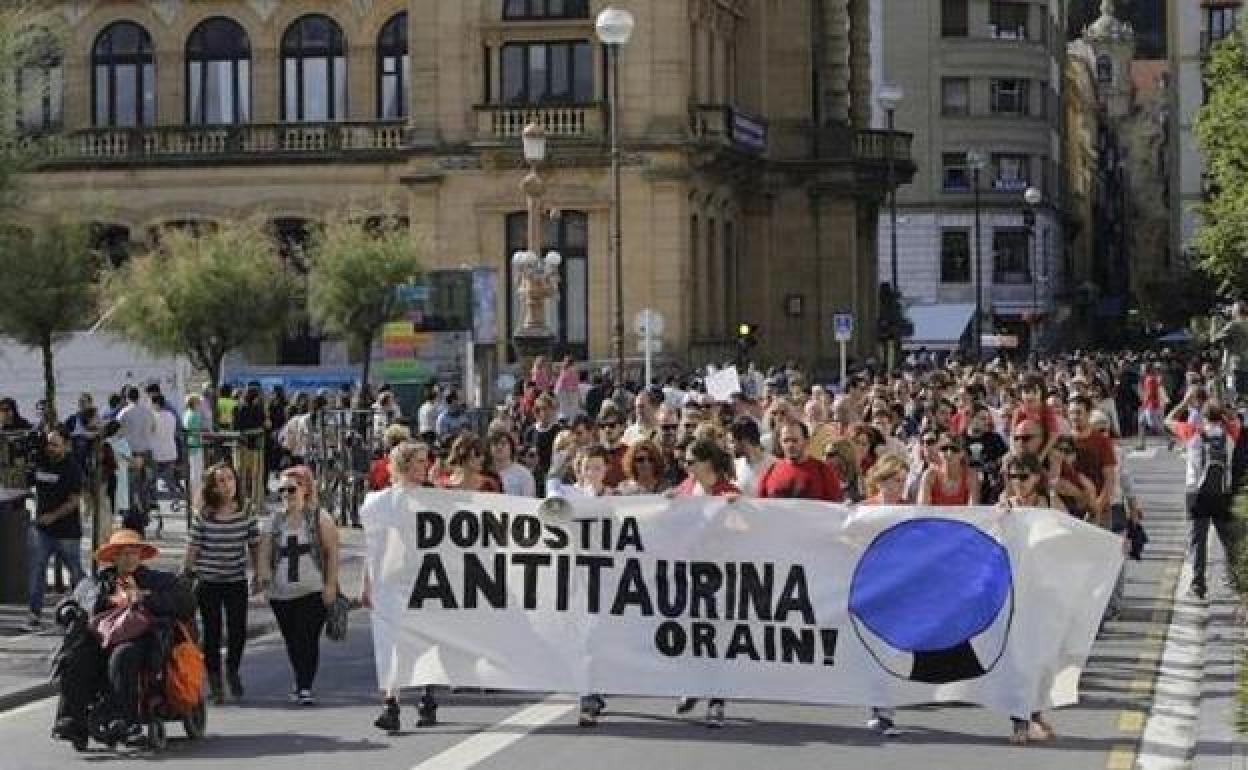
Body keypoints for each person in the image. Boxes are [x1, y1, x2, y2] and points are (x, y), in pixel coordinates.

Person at [51, 529, 181, 750]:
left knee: (122, 656)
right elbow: (71, 601)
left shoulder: (158, 580)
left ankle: (126, 720)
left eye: (133, 552)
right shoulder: (95, 582)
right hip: (100, 640)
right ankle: (72, 721)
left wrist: (146, 599)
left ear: (141, 556)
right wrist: (67, 611)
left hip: (142, 640)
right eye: (123, 553)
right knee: (74, 658)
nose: (129, 558)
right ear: (113, 557)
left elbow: (182, 602)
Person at [362, 441, 441, 732]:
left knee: (425, 640)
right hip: (391, 580)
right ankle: (391, 705)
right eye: (420, 461)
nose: (426, 466)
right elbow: (373, 546)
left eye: (425, 460)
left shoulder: (434, 500)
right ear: (405, 464)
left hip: (426, 579)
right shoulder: (382, 502)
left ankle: (427, 696)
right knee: (388, 643)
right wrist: (366, 582)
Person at [255, 466, 340, 705]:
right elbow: (264, 551)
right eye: (281, 490)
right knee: (292, 640)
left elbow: (332, 551)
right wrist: (262, 579)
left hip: (312, 590)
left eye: (291, 489)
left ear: (305, 490)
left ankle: (305, 686)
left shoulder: (319, 518)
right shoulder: (273, 521)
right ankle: (300, 678)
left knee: (307, 638)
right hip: (281, 593)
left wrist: (331, 585)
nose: (286, 494)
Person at [670, 438, 739, 727]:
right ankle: (693, 686)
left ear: (707, 463)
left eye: (691, 461)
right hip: (687, 572)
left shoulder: (729, 492)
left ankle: (717, 699)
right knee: (689, 635)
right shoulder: (686, 488)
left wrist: (734, 509)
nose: (686, 466)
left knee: (715, 638)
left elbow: (745, 529)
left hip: (719, 575)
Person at [998, 453, 1065, 744]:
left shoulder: (1049, 504)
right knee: (1019, 658)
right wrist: (1001, 518)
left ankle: (1035, 715)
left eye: (1023, 476)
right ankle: (1019, 723)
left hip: (1044, 591)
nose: (1018, 483)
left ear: (1036, 477)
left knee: (1042, 657)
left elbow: (1071, 535)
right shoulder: (1005, 506)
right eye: (1012, 476)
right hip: (1015, 593)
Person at [182, 463, 260, 705]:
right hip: (209, 581)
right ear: (213, 487)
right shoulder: (204, 515)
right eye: (221, 481)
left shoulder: (246, 511)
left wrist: (259, 573)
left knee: (238, 631)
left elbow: (254, 543)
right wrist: (186, 572)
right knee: (212, 633)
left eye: (230, 479)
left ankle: (232, 669)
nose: (228, 485)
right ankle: (214, 681)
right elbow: (193, 547)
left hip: (236, 579)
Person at [1165, 392, 1240, 599]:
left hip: (1196, 494)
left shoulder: (1192, 432)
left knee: (1197, 540)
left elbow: (1168, 420)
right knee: (1228, 539)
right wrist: (1223, 409)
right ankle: (1236, 580)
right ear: (1221, 417)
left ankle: (1198, 586)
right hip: (1221, 493)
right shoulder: (1230, 434)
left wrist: (1185, 401)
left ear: (1202, 416)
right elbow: (1235, 420)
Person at [859, 453, 912, 737]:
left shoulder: (909, 510)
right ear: (881, 481)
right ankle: (878, 705)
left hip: (900, 589)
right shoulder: (866, 509)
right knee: (872, 647)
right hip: (872, 586)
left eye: (903, 481)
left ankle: (885, 706)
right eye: (894, 480)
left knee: (893, 649)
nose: (899, 486)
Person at [27, 429, 86, 632]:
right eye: (49, 444)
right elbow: (26, 481)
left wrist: (53, 516)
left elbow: (74, 501)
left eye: (55, 444)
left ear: (66, 446)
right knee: (37, 570)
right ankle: (34, 613)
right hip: (43, 531)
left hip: (67, 532)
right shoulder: (40, 462)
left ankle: (83, 610)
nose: (50, 448)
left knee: (76, 573)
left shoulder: (72, 468)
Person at [756, 420, 843, 501]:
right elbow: (761, 507)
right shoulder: (771, 471)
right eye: (786, 441)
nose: (790, 445)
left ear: (806, 441)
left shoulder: (823, 471)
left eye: (795, 440)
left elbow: (835, 507)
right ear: (780, 443)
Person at [917, 433, 979, 506]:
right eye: (944, 449)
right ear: (938, 452)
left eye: (954, 449)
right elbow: (922, 510)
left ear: (962, 453)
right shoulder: (929, 475)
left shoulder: (971, 475)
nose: (949, 453)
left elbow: (973, 511)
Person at [730, 417, 775, 497]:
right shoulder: (735, 465)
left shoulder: (775, 465)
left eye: (733, 442)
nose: (731, 446)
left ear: (745, 441)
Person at [490, 430, 536, 496]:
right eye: (495, 443)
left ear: (511, 448)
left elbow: (529, 501)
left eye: (503, 443)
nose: (499, 447)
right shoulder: (484, 472)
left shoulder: (524, 474)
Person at [183, 395, 205, 513]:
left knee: (192, 474)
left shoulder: (186, 413)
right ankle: (197, 501)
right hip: (196, 445)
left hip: (189, 445)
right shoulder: (195, 415)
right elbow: (197, 431)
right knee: (197, 475)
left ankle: (192, 499)